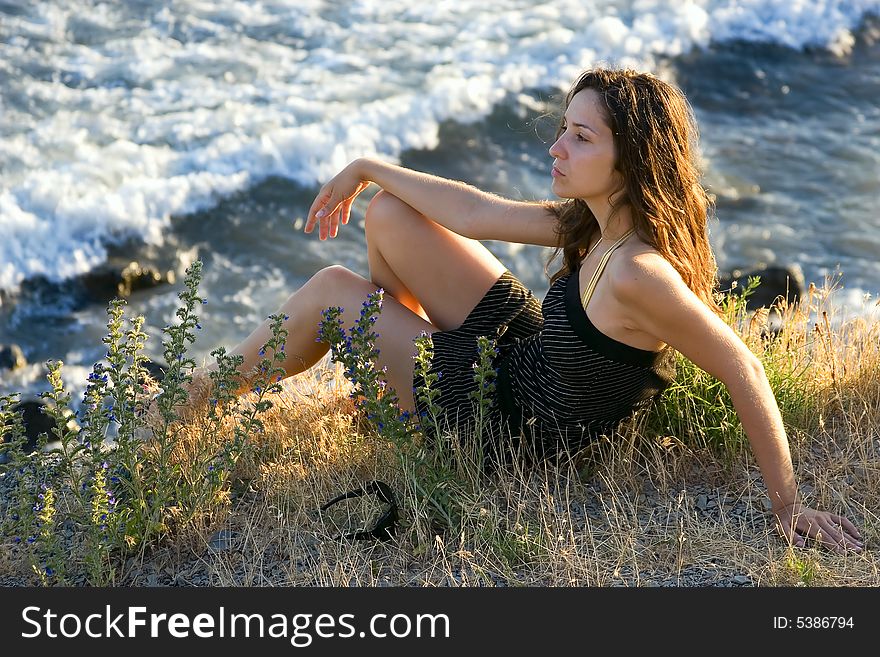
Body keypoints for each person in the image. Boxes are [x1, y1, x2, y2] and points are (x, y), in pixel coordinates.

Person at [186, 67, 862, 553]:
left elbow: (741, 365)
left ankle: (189, 401)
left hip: (508, 427)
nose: (556, 148)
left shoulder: (639, 272)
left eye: (580, 138)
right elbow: (476, 212)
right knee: (393, 214)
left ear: (629, 160)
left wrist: (790, 503)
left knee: (335, 288)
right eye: (563, 130)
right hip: (528, 357)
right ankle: (392, 398)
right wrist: (368, 167)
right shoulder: (597, 224)